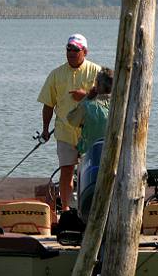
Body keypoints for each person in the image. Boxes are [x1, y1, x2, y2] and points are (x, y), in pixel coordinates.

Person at [38, 33, 101, 210]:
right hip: (65, 132)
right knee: (66, 172)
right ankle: (65, 210)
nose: (71, 53)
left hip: (91, 133)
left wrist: (86, 96)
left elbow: (109, 100)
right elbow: (48, 104)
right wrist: (45, 130)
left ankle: (89, 209)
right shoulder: (56, 74)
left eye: (75, 49)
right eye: (68, 49)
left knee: (90, 171)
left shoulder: (97, 72)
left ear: (85, 51)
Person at [67, 67, 113, 156]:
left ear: (98, 85)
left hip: (90, 154)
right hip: (113, 153)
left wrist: (87, 97)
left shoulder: (88, 105)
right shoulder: (122, 105)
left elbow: (71, 119)